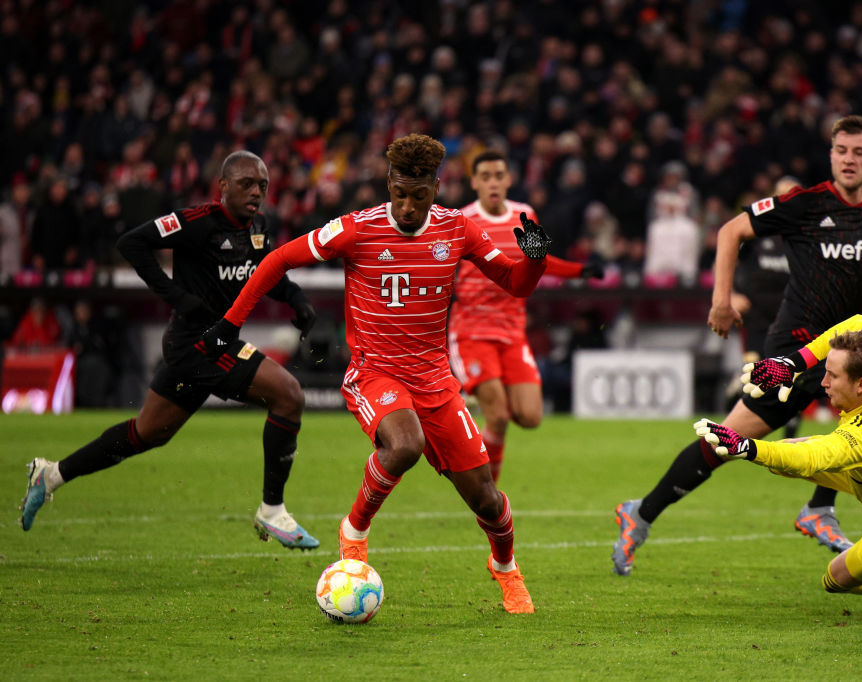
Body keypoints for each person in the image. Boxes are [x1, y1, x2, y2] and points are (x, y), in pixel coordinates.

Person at [612, 115, 862, 576]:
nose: (849, 159)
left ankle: (819, 508)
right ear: (831, 155)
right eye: (841, 151)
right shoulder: (806, 204)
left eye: (859, 152)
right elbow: (730, 231)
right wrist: (720, 301)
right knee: (727, 441)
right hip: (794, 349)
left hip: (844, 350)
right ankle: (642, 513)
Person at [200, 134, 552, 614]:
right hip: (375, 373)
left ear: (436, 189)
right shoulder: (357, 229)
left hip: (435, 381)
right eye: (399, 194)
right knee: (405, 444)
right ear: (389, 184)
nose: (407, 207)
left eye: (418, 196)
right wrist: (229, 324)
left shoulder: (457, 229)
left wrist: (535, 258)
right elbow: (278, 259)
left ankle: (506, 568)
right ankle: (355, 530)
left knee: (487, 499)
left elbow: (515, 282)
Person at [19, 151, 320, 551]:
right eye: (246, 183)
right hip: (196, 344)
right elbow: (131, 243)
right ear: (223, 186)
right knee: (289, 395)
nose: (256, 192)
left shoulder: (259, 227)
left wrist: (296, 298)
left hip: (209, 345)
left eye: (262, 186)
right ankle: (272, 510)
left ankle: (51, 475)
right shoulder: (196, 222)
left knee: (146, 433)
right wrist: (176, 296)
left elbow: (265, 272)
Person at [694, 314, 862, 611]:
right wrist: (793, 363)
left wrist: (747, 447)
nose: (823, 382)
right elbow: (859, 322)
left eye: (832, 376)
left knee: (834, 580)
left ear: (860, 385)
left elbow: (810, 458)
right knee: (780, 459)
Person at [448, 149, 603, 482]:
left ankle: (478, 397)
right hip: (472, 331)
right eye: (485, 177)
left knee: (531, 417)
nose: (492, 183)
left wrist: (579, 271)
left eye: (498, 176)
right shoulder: (461, 221)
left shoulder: (525, 214)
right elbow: (439, 266)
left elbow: (539, 261)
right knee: (498, 417)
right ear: (474, 182)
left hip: (512, 333)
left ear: (508, 180)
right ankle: (486, 495)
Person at [727, 176, 801, 440]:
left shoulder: (807, 236)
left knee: (791, 374)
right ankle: (737, 418)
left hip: (791, 316)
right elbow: (727, 252)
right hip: (757, 317)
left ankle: (790, 433)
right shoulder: (757, 230)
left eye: (792, 194)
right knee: (755, 372)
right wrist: (730, 293)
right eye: (781, 194)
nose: (786, 200)